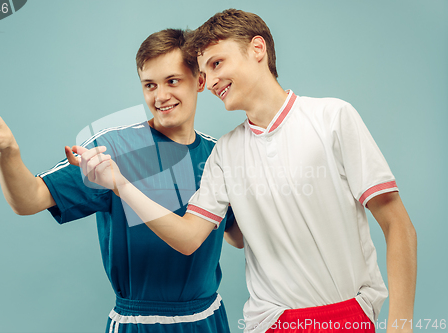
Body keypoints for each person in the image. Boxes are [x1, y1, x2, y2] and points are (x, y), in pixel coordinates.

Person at [70, 9, 417, 333]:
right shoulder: (225, 152)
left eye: (218, 63)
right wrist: (119, 184)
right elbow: (189, 238)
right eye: (205, 72)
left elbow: (396, 222)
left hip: (349, 315)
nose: (213, 80)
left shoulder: (333, 118)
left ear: (257, 49)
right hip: (270, 322)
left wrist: (400, 327)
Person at [0, 28, 243, 333]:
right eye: (150, 85)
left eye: (172, 81)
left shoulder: (218, 155)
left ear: (200, 81)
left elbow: (236, 235)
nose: (160, 96)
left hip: (207, 321)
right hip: (138, 323)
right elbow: (29, 199)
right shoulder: (113, 149)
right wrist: (8, 151)